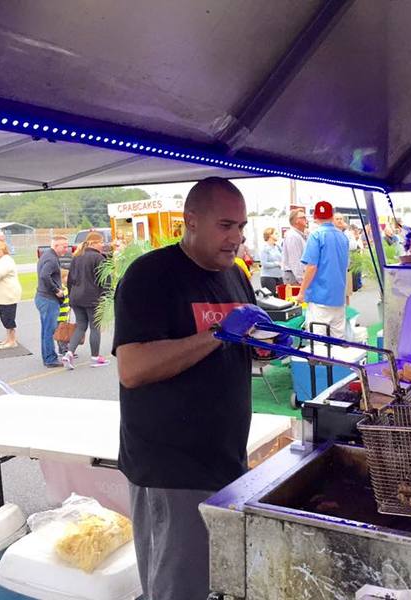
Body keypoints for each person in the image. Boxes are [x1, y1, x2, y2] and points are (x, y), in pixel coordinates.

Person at [113, 177, 260, 599]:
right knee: (179, 589)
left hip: (226, 459)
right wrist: (218, 334)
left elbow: (238, 343)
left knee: (218, 583)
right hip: (170, 468)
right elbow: (133, 369)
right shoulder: (151, 276)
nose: (237, 238)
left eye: (242, 227)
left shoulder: (235, 275)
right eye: (226, 226)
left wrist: (264, 344)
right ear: (191, 220)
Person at [295, 201, 350, 339]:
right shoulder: (343, 237)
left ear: (315, 217)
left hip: (320, 297)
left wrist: (301, 292)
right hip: (338, 296)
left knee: (318, 343)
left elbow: (312, 266)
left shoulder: (316, 236)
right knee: (338, 340)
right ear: (332, 216)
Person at [62, 231, 109, 369]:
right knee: (95, 327)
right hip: (92, 297)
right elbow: (105, 280)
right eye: (101, 242)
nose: (103, 245)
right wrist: (106, 297)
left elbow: (70, 279)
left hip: (76, 297)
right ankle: (95, 357)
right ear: (93, 243)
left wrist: (70, 296)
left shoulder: (77, 257)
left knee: (81, 325)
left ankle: (69, 353)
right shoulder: (99, 258)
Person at [35, 235, 68, 367]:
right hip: (48, 299)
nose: (66, 249)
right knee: (49, 330)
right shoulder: (52, 259)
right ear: (56, 246)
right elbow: (44, 275)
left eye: (67, 246)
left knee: (45, 330)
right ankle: (50, 358)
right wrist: (56, 290)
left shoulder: (46, 255)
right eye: (64, 246)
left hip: (43, 297)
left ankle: (47, 356)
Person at [281, 208, 308, 285]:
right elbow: (295, 260)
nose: (306, 219)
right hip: (294, 276)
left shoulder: (300, 235)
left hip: (298, 275)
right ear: (296, 221)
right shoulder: (293, 236)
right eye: (303, 217)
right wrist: (301, 281)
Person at [259, 227, 283, 293]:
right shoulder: (264, 248)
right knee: (271, 299)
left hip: (279, 276)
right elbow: (264, 264)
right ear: (270, 235)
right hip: (268, 277)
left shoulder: (278, 247)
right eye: (276, 233)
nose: (278, 235)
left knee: (281, 298)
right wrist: (277, 263)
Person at [56, 269, 72, 357]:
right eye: (67, 277)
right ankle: (64, 350)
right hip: (61, 316)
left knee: (63, 333)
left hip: (65, 315)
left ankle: (61, 350)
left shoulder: (65, 288)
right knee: (62, 334)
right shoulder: (62, 288)